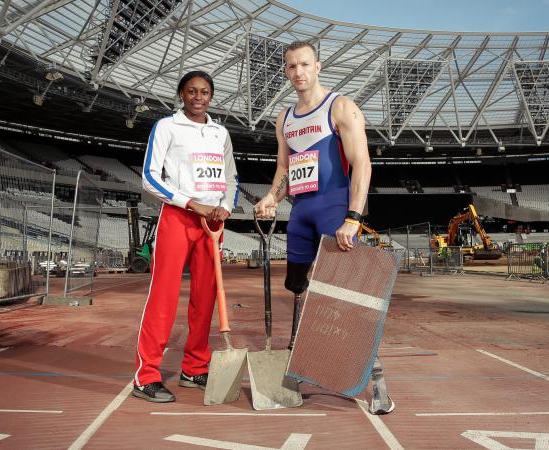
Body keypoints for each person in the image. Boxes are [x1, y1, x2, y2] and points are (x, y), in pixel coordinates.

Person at [254, 41, 393, 415]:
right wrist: (271, 198)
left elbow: (362, 164)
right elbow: (285, 168)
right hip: (301, 214)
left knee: (346, 296)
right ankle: (297, 368)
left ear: (318, 66)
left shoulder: (340, 107)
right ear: (286, 72)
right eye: (290, 66)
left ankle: (375, 380)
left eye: (304, 64)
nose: (297, 72)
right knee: (297, 289)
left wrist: (354, 217)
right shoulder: (284, 119)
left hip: (335, 210)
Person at [134, 70, 238, 403]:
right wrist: (191, 204)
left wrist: (223, 207)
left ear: (211, 96)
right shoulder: (167, 126)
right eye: (191, 91)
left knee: (205, 299)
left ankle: (195, 368)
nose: (198, 97)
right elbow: (150, 177)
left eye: (204, 92)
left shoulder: (220, 132)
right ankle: (146, 375)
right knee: (164, 295)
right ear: (181, 94)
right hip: (179, 217)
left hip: (213, 224)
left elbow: (230, 176)